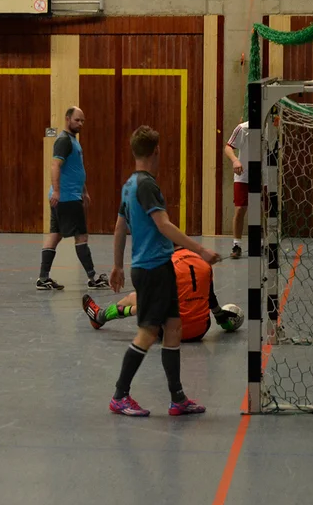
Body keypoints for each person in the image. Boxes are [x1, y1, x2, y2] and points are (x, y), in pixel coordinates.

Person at [108, 126, 221, 418]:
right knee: (148, 333)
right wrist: (200, 250)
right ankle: (120, 395)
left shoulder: (129, 184)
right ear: (156, 151)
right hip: (152, 269)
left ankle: (177, 398)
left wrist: (118, 265)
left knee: (173, 329)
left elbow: (120, 227)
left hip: (160, 266)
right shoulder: (147, 185)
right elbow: (164, 225)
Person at [82, 248, 238, 341]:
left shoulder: (165, 265)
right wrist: (225, 321)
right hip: (200, 332)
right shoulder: (204, 263)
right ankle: (101, 317)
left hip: (171, 333)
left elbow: (150, 307)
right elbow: (211, 299)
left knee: (135, 298)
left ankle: (100, 317)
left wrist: (127, 311)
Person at [36, 107, 109, 291]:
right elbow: (55, 165)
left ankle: (43, 278)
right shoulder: (64, 141)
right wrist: (57, 191)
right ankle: (93, 278)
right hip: (67, 198)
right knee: (81, 236)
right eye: (77, 120)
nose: (80, 124)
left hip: (69, 196)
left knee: (55, 235)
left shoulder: (73, 141)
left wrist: (84, 190)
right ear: (67, 119)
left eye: (82, 121)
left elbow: (76, 169)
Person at [223, 121, 249, 259]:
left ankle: (266, 243)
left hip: (265, 175)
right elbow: (228, 147)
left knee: (266, 210)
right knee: (240, 209)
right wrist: (235, 160)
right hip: (243, 175)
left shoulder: (272, 127)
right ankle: (236, 245)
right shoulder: (243, 128)